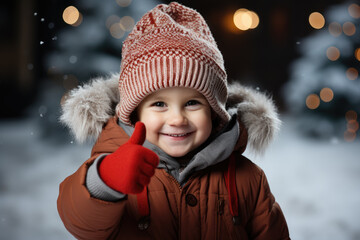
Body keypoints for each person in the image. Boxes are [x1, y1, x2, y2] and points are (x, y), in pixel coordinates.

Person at [57, 2, 290, 239]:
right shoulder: (116, 167)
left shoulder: (247, 179)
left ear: (214, 111)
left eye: (192, 103)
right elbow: (81, 223)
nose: (177, 119)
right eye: (159, 104)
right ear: (135, 113)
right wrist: (105, 181)